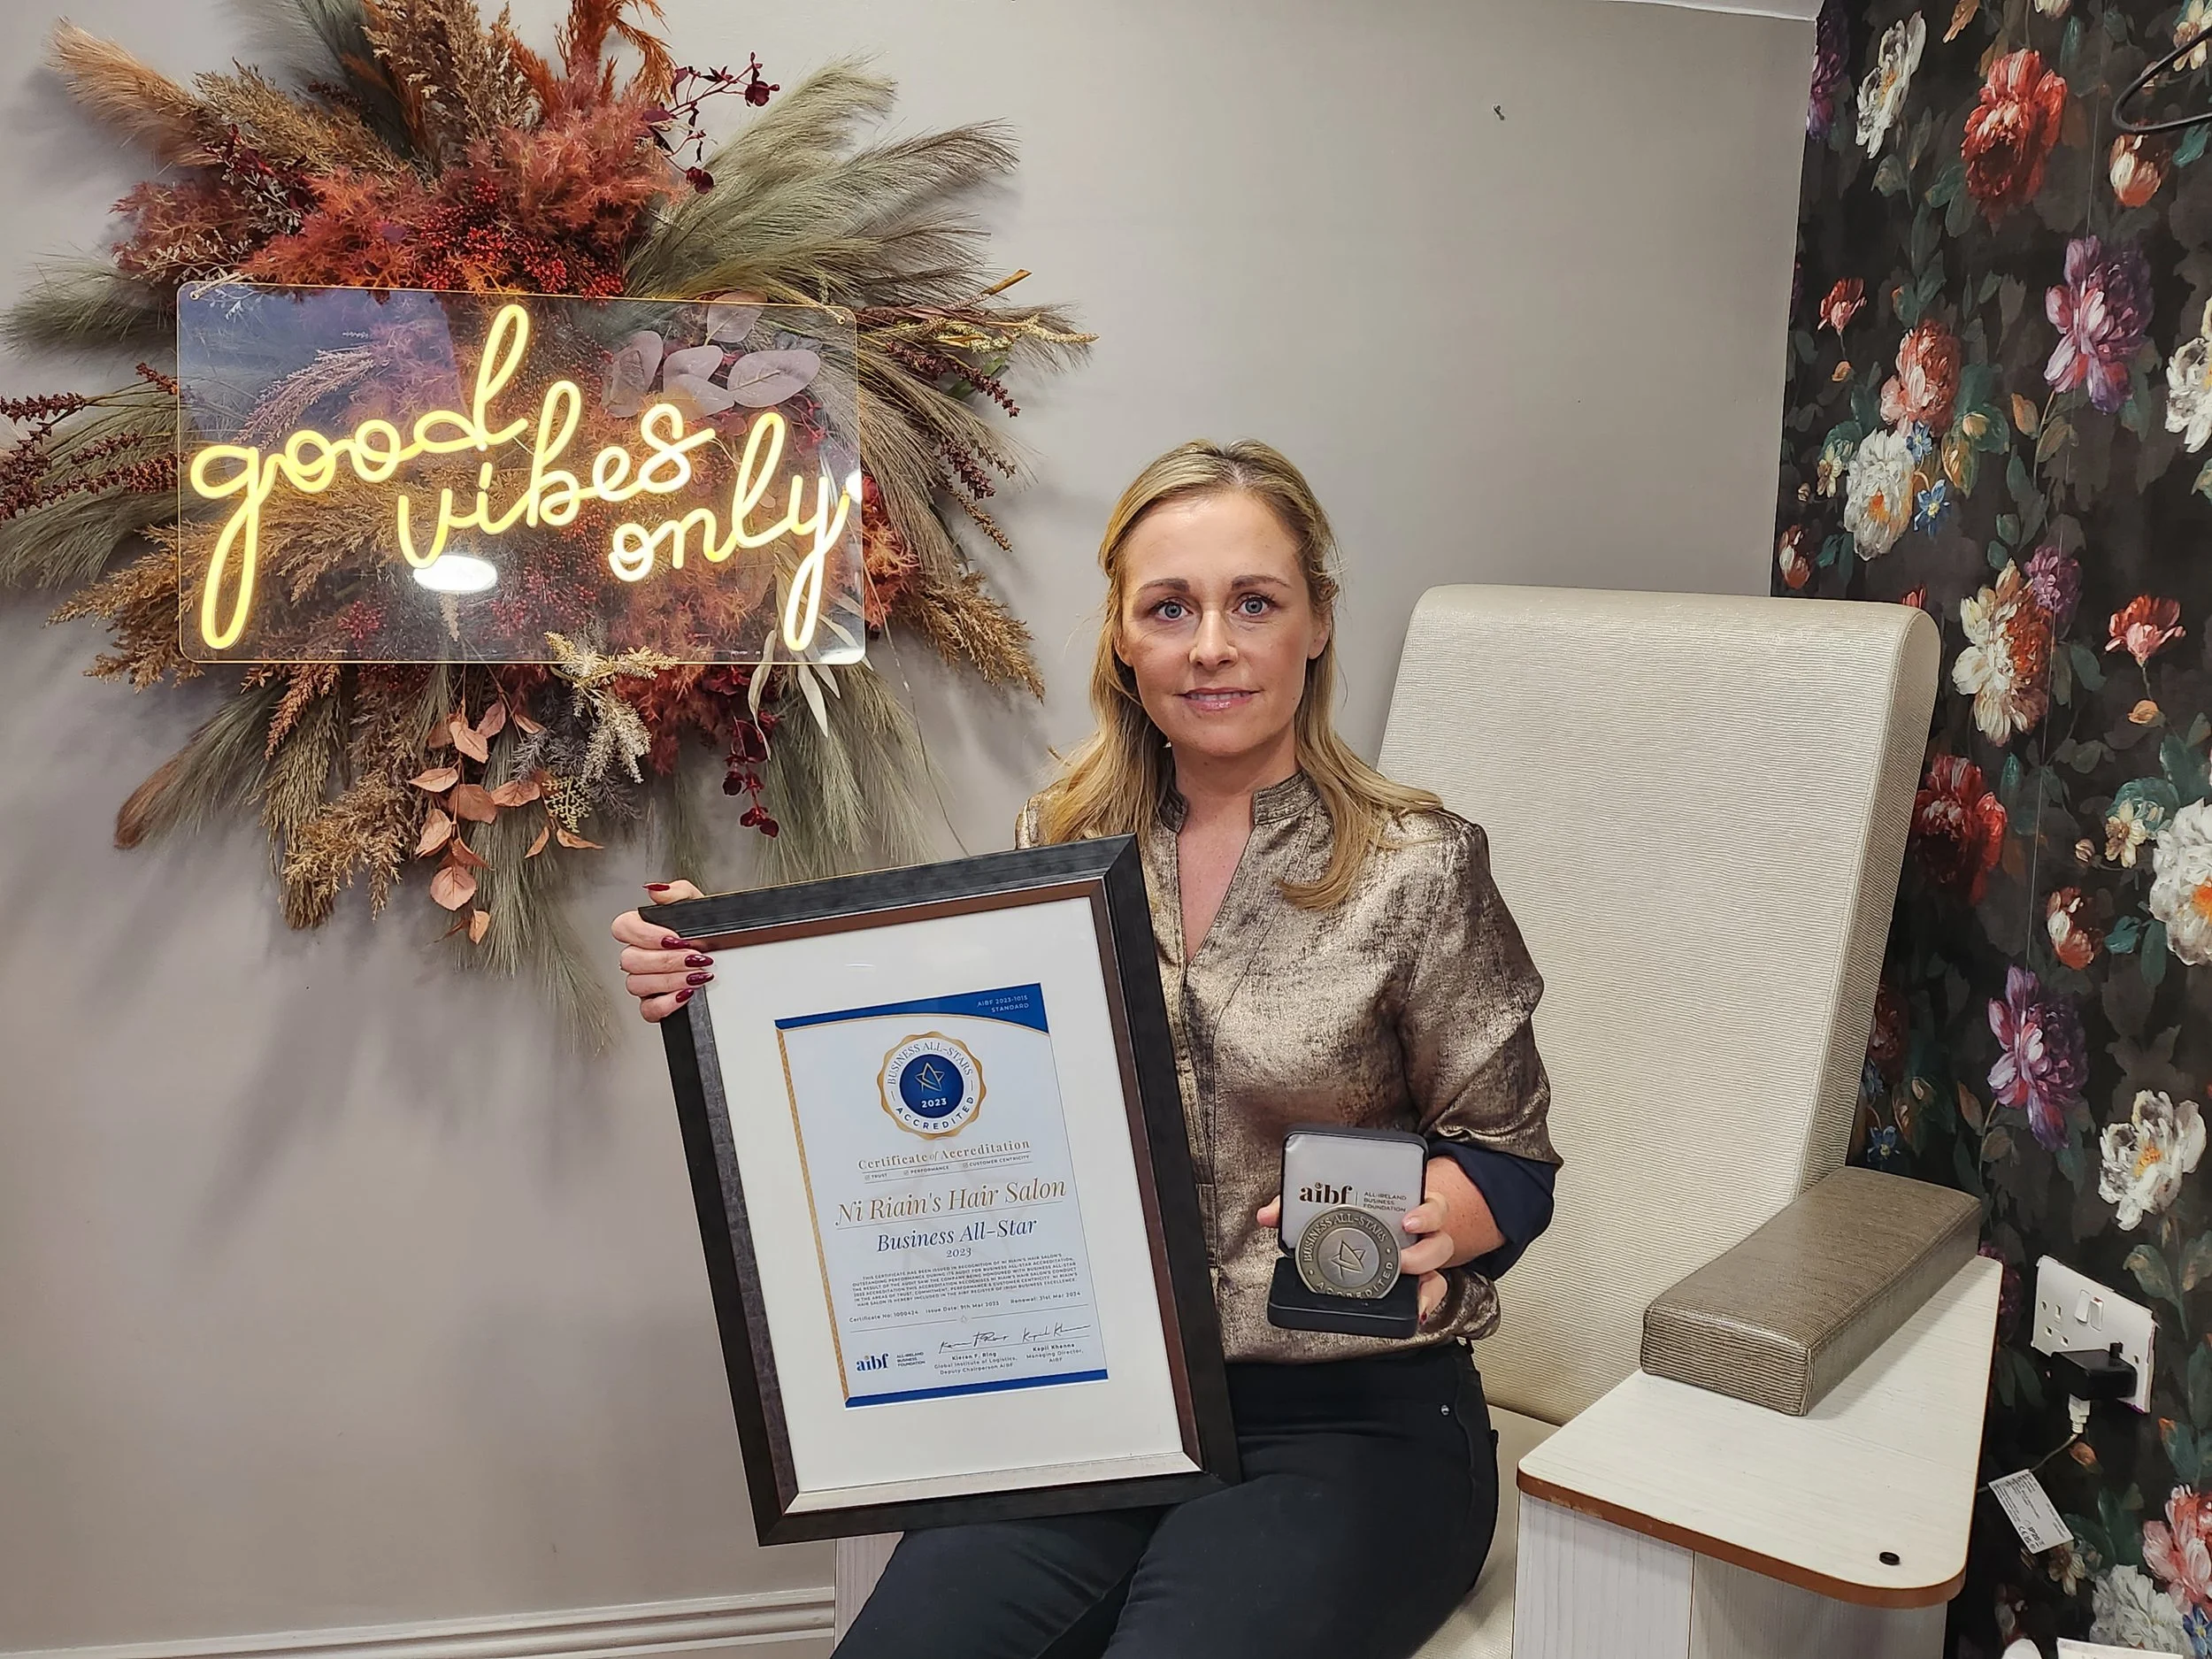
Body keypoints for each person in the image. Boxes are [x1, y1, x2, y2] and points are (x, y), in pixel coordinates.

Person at [611, 440, 1558, 1659]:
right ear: (1122, 633)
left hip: (1358, 1420)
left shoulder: (1419, 867)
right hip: (1101, 1409)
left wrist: (1448, 1209)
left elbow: (1515, 1160)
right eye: (1171, 607)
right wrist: (721, 970)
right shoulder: (1054, 852)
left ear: (1316, 622)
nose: (1211, 642)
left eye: (1253, 602)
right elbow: (951, 1085)